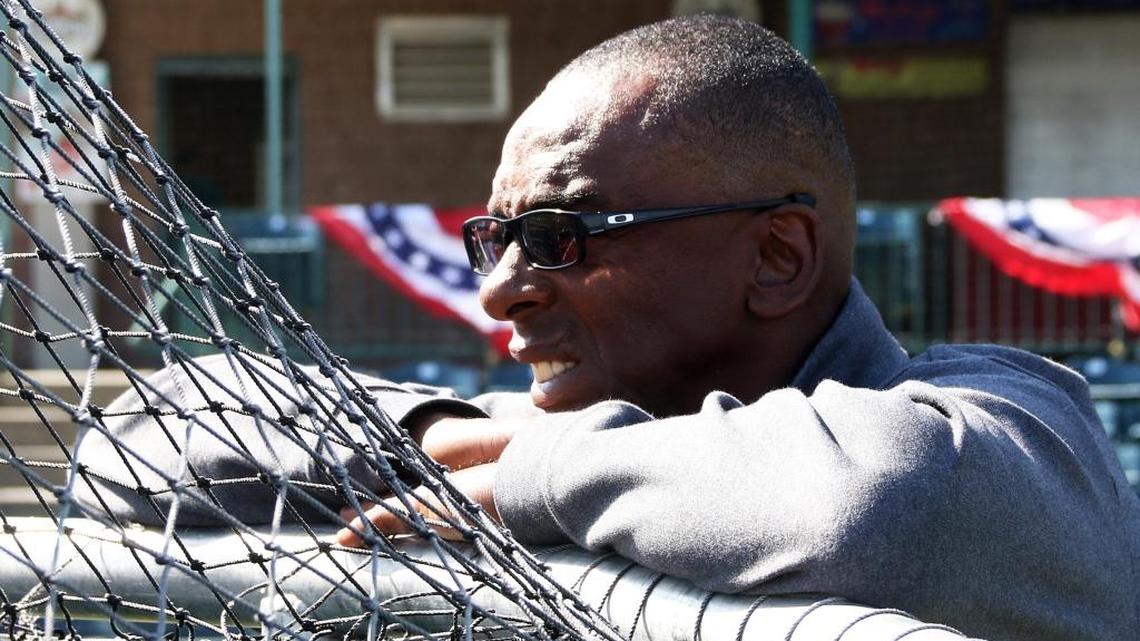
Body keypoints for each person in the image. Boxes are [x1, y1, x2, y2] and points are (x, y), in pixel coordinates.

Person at [76, 15, 1139, 641]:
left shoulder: (1003, 414)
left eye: (561, 233)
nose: (500, 288)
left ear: (775, 257)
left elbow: (879, 502)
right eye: (494, 235)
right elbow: (145, 430)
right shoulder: (544, 425)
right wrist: (448, 433)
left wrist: (543, 471)